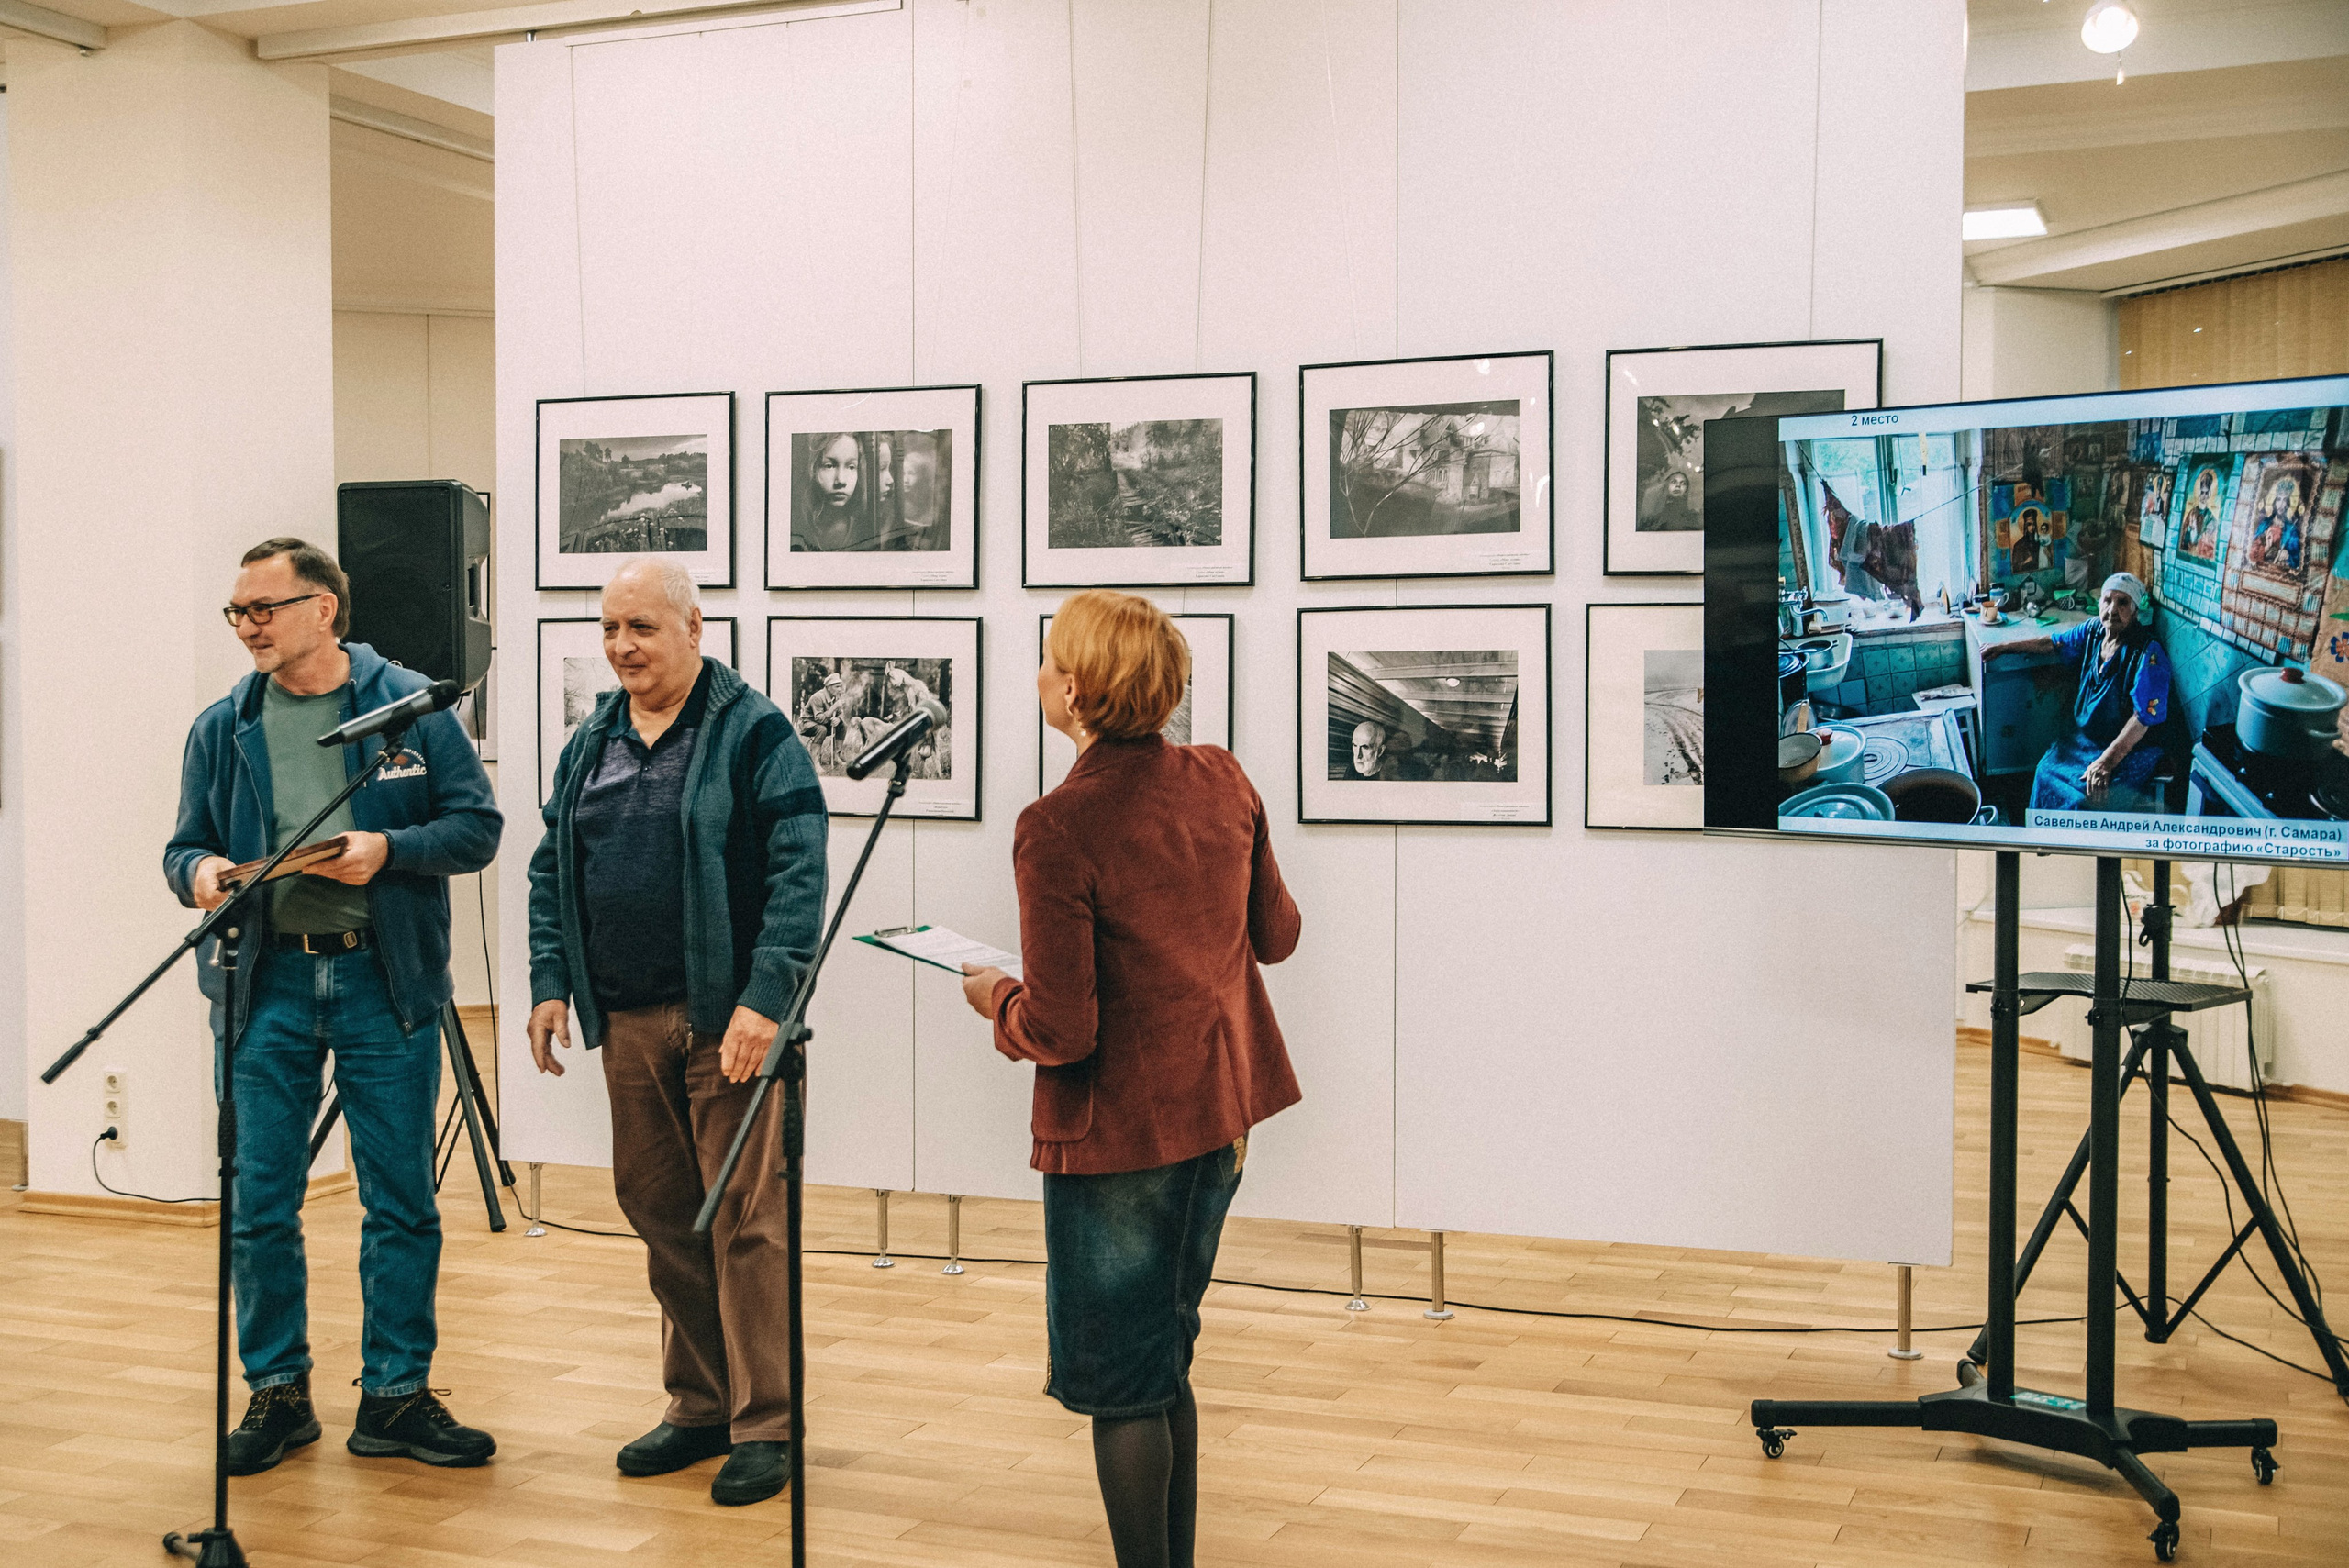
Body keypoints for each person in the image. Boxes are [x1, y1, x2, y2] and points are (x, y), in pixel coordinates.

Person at [958, 590, 1302, 1568]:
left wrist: (994, 996)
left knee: (1121, 1380)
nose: (1037, 673)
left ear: (1074, 690)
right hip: (1222, 1114)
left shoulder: (1057, 824)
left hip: (1120, 1138)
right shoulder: (1221, 776)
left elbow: (1062, 1031)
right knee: (1164, 1352)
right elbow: (1278, 934)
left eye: (1047, 659)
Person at [164, 538, 503, 1474]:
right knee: (259, 1200)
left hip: (380, 981)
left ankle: (395, 1393)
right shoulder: (224, 726)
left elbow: (477, 828)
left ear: (324, 608)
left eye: (263, 608)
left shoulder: (410, 709)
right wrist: (199, 872)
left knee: (400, 1201)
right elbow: (182, 846)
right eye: (237, 612)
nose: (248, 626)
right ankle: (277, 1390)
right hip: (264, 986)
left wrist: (387, 851)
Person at [524, 557, 830, 1507]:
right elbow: (551, 868)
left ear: (693, 627)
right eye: (610, 628)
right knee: (661, 1214)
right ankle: (699, 1404)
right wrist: (549, 981)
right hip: (626, 1018)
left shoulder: (753, 731)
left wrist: (766, 1000)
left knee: (744, 1222)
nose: (622, 647)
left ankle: (767, 1422)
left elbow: (799, 875)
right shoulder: (594, 738)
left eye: (641, 628)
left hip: (727, 1021)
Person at [1985, 571, 2179, 814]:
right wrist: (2005, 647)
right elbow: (2054, 643)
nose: (2112, 609)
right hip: (2086, 738)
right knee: (2044, 770)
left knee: (2083, 799)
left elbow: (2143, 718)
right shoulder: (2094, 630)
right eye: (2107, 600)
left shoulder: (2148, 653)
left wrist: (2106, 762)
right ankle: (2042, 836)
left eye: (2122, 603)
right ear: (2099, 604)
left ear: (2135, 611)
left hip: (2130, 747)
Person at [793, 432, 865, 552]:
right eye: (829, 466)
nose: (841, 480)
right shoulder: (799, 528)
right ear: (813, 469)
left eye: (851, 467)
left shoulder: (864, 530)